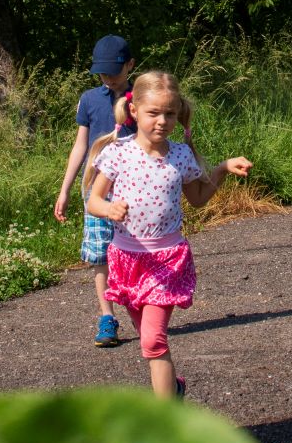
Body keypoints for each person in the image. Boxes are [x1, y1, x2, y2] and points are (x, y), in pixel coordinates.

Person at [84, 71, 252, 398]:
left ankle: (166, 427)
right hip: (127, 260)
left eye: (170, 114)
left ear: (178, 113)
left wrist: (220, 169)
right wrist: (108, 209)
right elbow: (93, 200)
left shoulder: (180, 155)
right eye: (153, 113)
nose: (162, 121)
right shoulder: (118, 153)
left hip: (166, 261)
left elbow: (198, 198)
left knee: (152, 341)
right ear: (134, 112)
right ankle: (172, 389)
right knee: (150, 342)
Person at [54, 34, 136, 347]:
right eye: (102, 73)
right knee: (100, 253)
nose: (108, 78)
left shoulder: (139, 98)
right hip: (95, 189)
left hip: (131, 189)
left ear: (130, 65)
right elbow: (80, 146)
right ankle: (107, 317)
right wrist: (65, 190)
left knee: (132, 251)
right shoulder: (89, 99)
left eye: (114, 71)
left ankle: (141, 310)